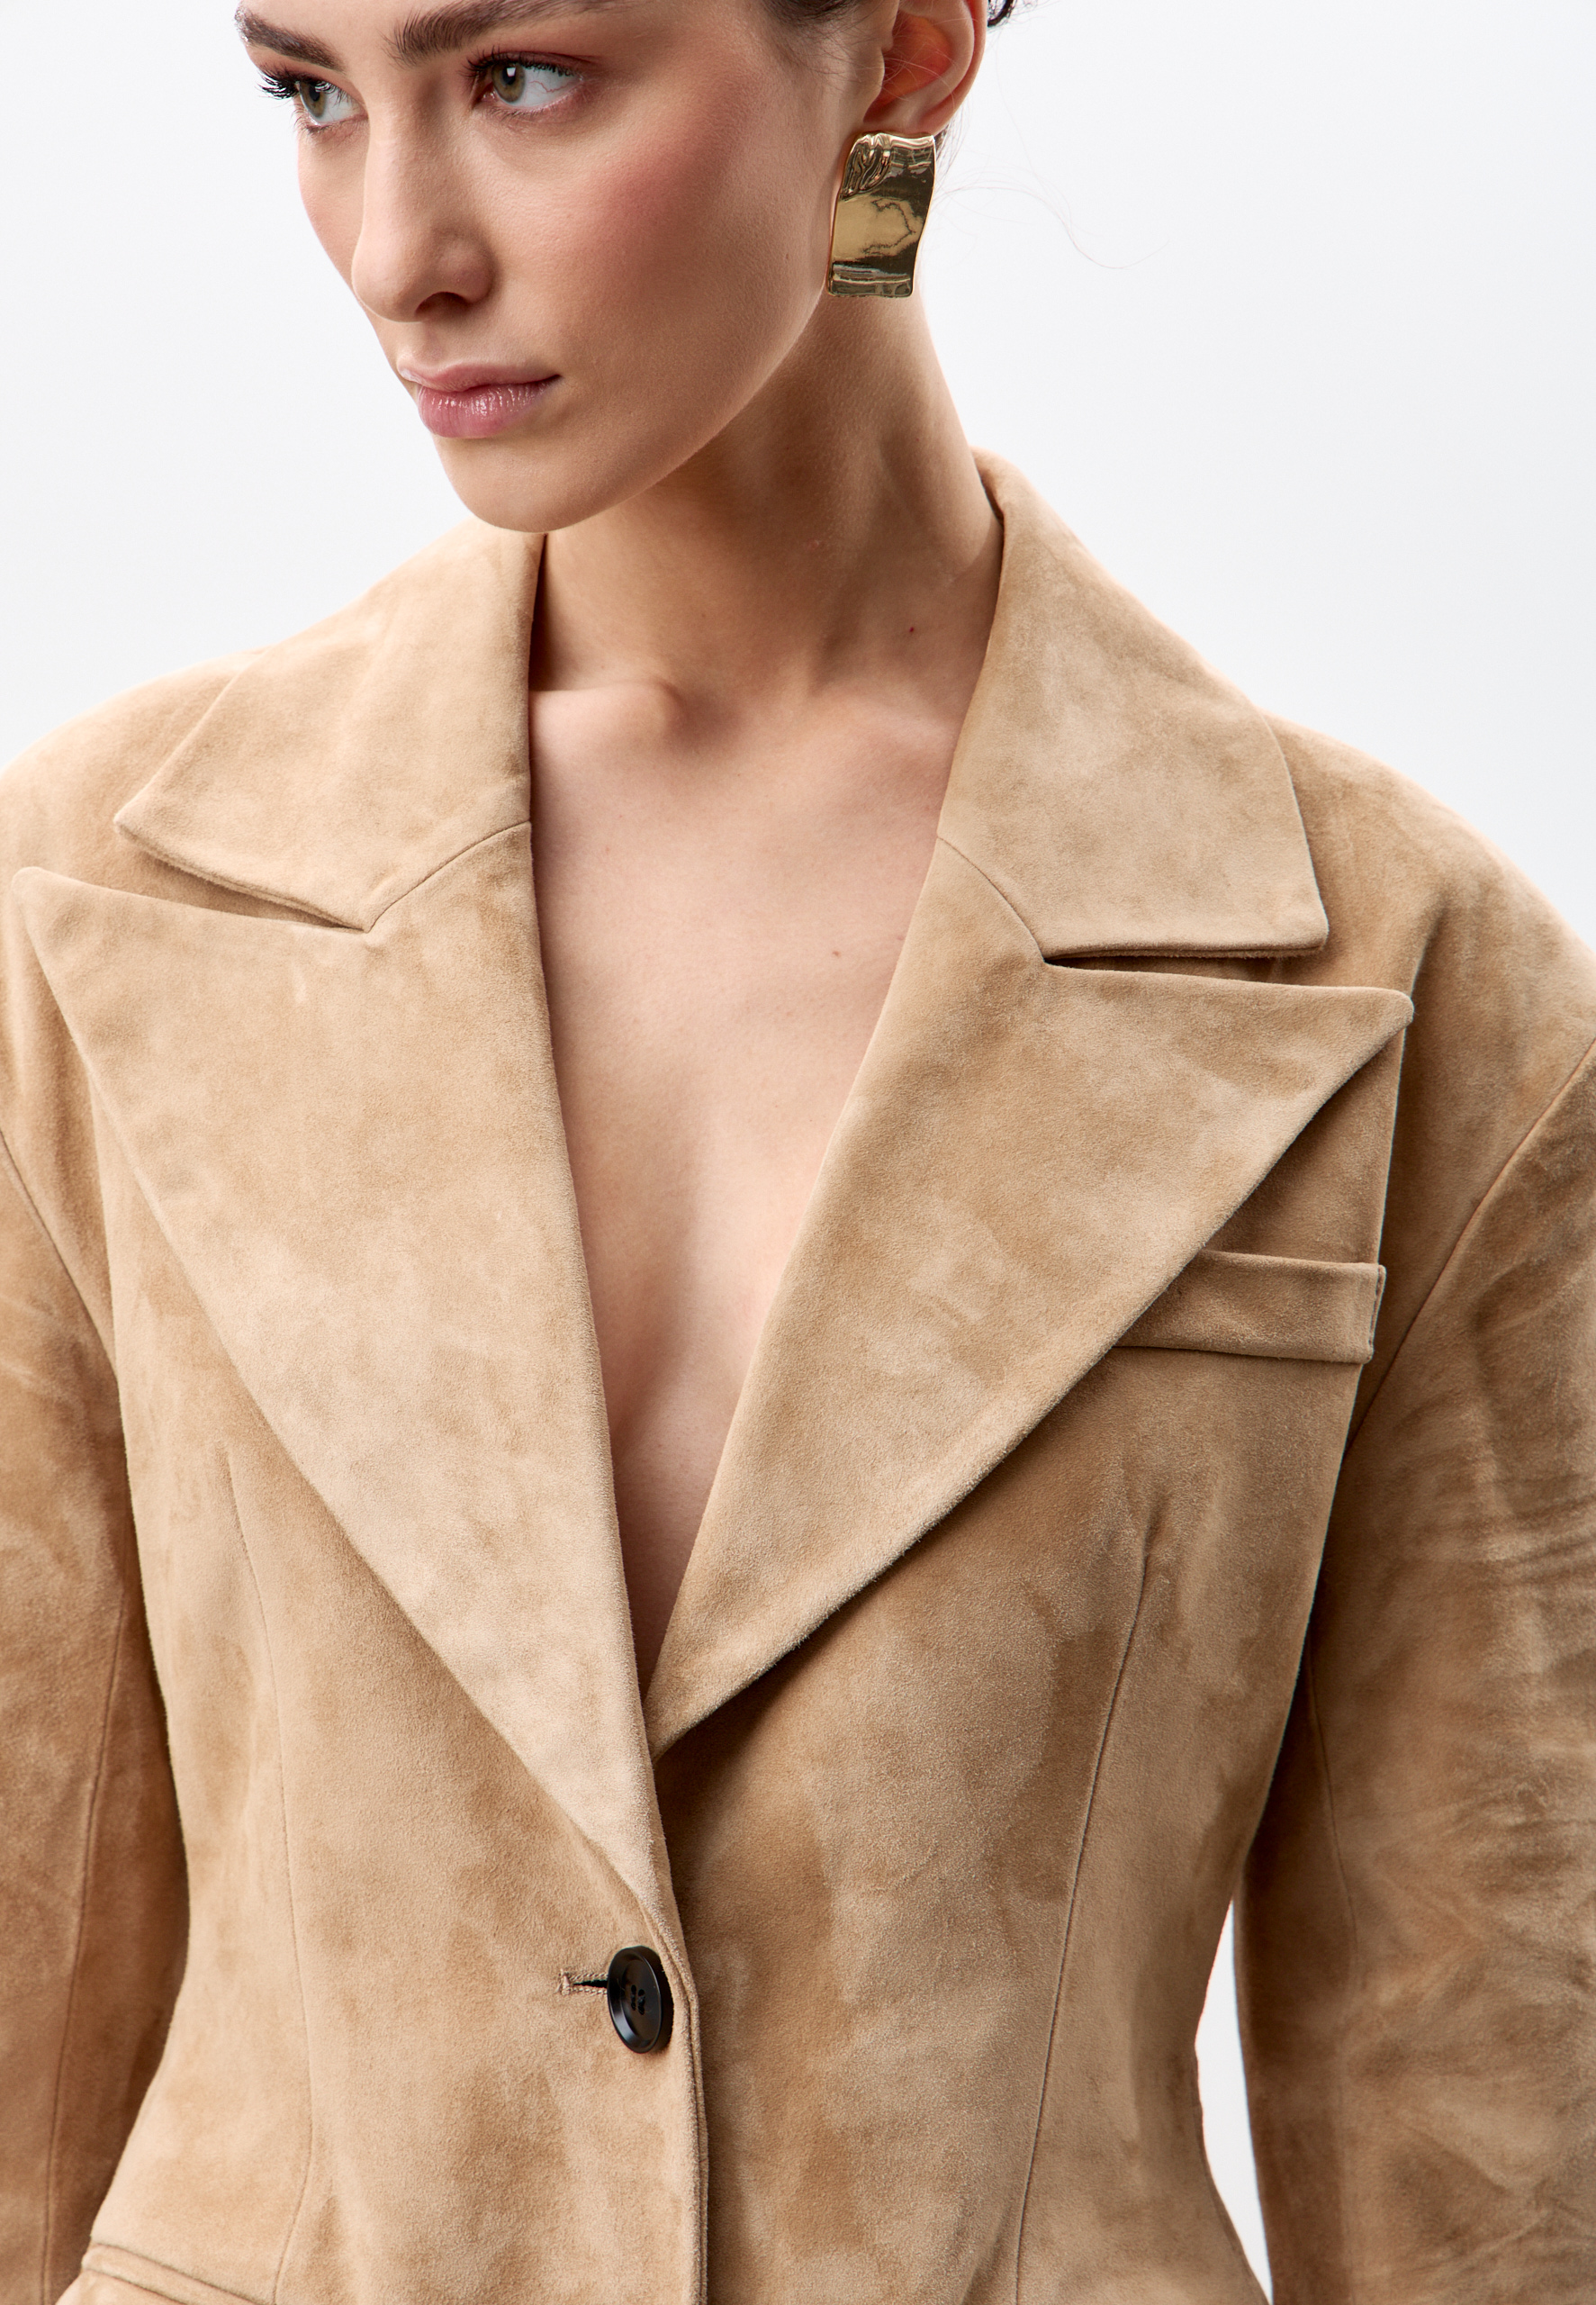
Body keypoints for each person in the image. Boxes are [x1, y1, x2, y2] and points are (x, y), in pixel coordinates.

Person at [2, 0, 1591, 2297]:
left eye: (519, 76)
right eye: (310, 94)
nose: (393, 248)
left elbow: (1481, 2153)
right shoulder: (95, 914)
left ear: (906, 55)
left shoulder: (1404, 981)